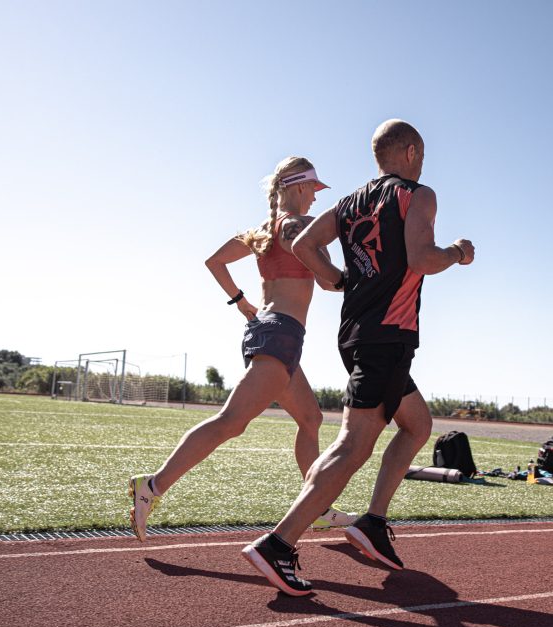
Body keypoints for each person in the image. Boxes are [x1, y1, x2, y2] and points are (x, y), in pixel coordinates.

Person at [241, 120, 475, 596]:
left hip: (357, 333)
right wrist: (457, 252)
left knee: (418, 424)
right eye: (423, 153)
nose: (424, 161)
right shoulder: (418, 194)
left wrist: (336, 278)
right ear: (410, 152)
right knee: (353, 445)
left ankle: (372, 522)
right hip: (387, 335)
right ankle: (278, 544)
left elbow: (305, 245)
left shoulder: (348, 202)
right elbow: (420, 259)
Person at [128, 156, 358, 541]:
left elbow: (214, 261)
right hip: (280, 335)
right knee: (231, 422)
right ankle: (151, 486)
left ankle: (316, 506)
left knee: (311, 419)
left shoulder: (264, 230)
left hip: (271, 333)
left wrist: (241, 302)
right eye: (315, 190)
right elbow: (329, 284)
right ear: (300, 187)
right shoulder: (300, 227)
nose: (316, 199)